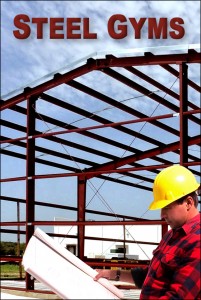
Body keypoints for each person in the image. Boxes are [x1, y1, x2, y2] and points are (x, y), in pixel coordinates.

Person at [94, 165, 201, 299]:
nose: (162, 215)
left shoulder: (197, 241)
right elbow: (149, 276)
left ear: (188, 203)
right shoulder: (171, 235)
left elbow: (178, 296)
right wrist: (112, 274)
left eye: (167, 207)